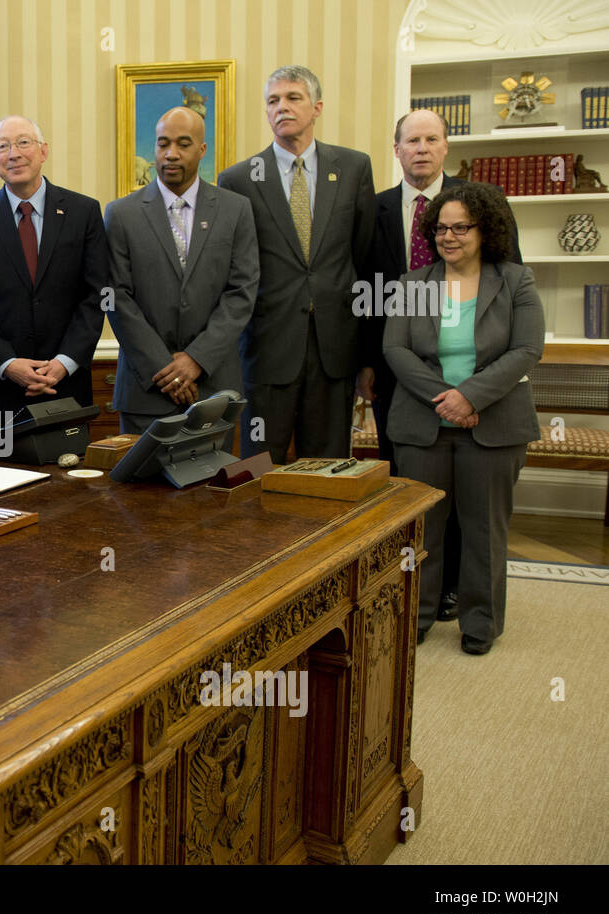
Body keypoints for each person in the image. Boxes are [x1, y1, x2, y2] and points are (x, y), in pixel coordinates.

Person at [360, 108, 524, 623]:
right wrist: (375, 369)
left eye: (433, 138)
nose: (422, 148)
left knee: (478, 518)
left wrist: (470, 396)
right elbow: (378, 318)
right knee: (418, 508)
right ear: (398, 149)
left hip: (484, 402)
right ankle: (419, 604)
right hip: (410, 391)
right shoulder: (378, 215)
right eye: (412, 140)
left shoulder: (495, 234)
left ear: (446, 146)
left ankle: (467, 601)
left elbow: (521, 334)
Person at [383, 182, 543, 655]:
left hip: (494, 427)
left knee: (483, 529)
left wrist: (470, 397)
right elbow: (395, 348)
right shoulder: (412, 284)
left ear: (485, 229)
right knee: (421, 530)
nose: (448, 237)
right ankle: (416, 615)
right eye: (440, 229)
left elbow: (527, 349)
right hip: (423, 425)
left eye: (460, 228)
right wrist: (447, 399)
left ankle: (480, 623)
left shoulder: (516, 281)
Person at [218, 65, 376, 463]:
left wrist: (369, 354)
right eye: (273, 101)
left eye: (293, 98)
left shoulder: (354, 168)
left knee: (328, 468)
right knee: (259, 466)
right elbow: (233, 272)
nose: (282, 107)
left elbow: (364, 258)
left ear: (317, 107)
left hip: (335, 348)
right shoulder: (238, 179)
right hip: (266, 349)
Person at [104, 106, 260, 434]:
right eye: (163, 144)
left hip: (213, 388)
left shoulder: (236, 210)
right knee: (138, 487)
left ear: (202, 150)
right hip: (145, 389)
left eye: (183, 144)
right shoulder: (121, 214)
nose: (171, 154)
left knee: (211, 485)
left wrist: (195, 360)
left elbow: (241, 293)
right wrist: (165, 368)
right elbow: (116, 297)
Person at [0, 116, 109, 415]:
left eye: (24, 142)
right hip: (0, 390)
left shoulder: (84, 212)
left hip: (67, 385)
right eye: (2, 146)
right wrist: (7, 363)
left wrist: (65, 362)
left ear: (43, 151)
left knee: (68, 463)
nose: (13, 154)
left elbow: (98, 295)